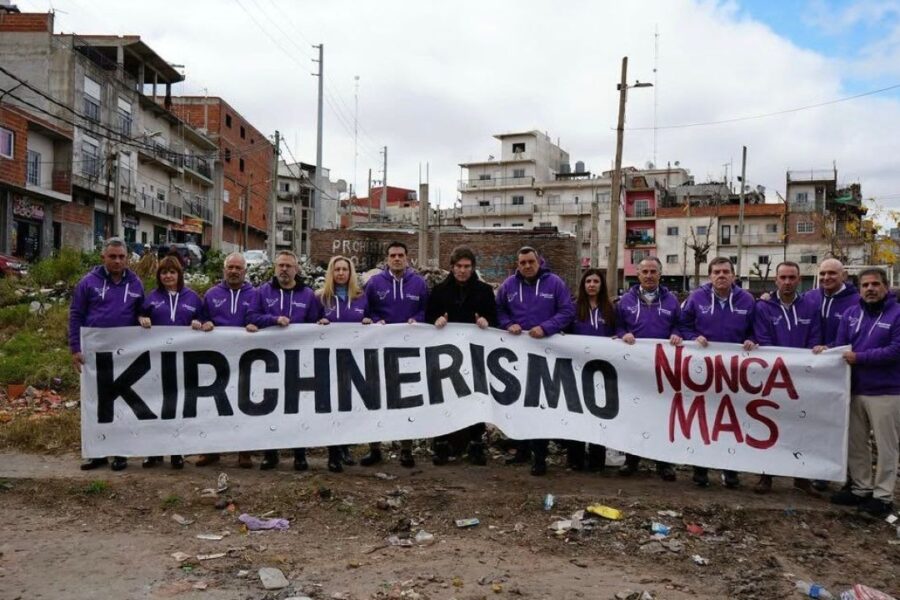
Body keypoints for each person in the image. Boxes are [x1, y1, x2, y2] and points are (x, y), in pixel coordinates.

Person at [496, 246, 575, 476]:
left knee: (539, 403)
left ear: (539, 261)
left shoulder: (555, 283)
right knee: (518, 402)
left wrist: (546, 328)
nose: (527, 266)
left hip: (546, 353)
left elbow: (567, 311)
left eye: (531, 261)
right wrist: (507, 324)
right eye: (522, 262)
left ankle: (539, 457)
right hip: (517, 354)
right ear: (517, 264)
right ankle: (521, 450)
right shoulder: (508, 285)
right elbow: (498, 310)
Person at [827, 268, 900, 517]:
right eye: (865, 285)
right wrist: (824, 351)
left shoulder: (897, 314)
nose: (870, 289)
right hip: (855, 389)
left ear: (886, 287)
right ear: (859, 289)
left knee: (886, 446)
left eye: (875, 284)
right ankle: (861, 488)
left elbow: (896, 350)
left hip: (886, 391)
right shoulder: (851, 314)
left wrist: (860, 358)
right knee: (856, 442)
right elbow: (840, 346)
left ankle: (883, 496)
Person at [679, 257, 757, 488]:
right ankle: (700, 468)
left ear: (734, 275)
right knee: (702, 419)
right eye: (716, 272)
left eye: (725, 271)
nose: (721, 275)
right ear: (710, 276)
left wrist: (752, 339)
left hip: (735, 371)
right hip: (703, 369)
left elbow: (756, 329)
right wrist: (693, 337)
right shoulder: (696, 298)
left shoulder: (747, 300)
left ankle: (730, 469)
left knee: (732, 421)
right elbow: (683, 325)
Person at [69, 237, 144, 471]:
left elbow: (141, 311)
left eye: (121, 257)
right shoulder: (88, 283)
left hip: (125, 353)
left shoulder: (136, 283)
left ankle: (120, 452)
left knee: (122, 404)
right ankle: (97, 453)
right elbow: (76, 314)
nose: (117, 261)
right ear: (103, 257)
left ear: (127, 258)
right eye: (112, 256)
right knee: (96, 403)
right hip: (95, 354)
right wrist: (75, 348)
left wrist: (144, 318)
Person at [247, 250, 322, 471]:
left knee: (297, 407)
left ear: (296, 269)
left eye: (289, 266)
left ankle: (299, 454)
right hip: (269, 360)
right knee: (270, 406)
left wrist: (323, 324)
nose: (284, 270)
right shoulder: (262, 292)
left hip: (298, 360)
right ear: (275, 268)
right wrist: (272, 320)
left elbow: (316, 321)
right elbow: (251, 317)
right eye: (281, 265)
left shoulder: (308, 295)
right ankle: (271, 454)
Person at [752, 261, 822, 494]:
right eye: (783, 277)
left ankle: (801, 476)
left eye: (792, 277)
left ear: (799, 279)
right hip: (773, 376)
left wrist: (806, 361)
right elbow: (763, 338)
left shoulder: (810, 306)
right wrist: (781, 364)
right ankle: (766, 474)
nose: (787, 282)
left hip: (802, 377)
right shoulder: (763, 307)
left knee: (800, 426)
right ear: (776, 280)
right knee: (769, 425)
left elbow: (815, 338)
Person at [425, 246, 498, 466]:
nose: (463, 270)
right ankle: (441, 443)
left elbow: (495, 320)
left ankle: (476, 443)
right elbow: (427, 319)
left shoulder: (484, 291)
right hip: (446, 356)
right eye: (459, 266)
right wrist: (436, 321)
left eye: (467, 266)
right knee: (444, 397)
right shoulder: (439, 290)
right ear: (452, 267)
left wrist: (486, 321)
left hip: (475, 355)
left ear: (473, 268)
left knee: (475, 398)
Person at [359, 241, 429, 468]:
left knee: (406, 399)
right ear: (387, 259)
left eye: (400, 255)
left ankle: (406, 449)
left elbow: (426, 310)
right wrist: (374, 320)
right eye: (392, 255)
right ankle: (374, 448)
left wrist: (417, 320)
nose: (397, 259)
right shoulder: (374, 283)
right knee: (376, 398)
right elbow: (366, 310)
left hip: (409, 351)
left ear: (407, 258)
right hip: (379, 349)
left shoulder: (419, 283)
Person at [616, 256, 682, 481]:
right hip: (634, 369)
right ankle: (631, 459)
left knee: (661, 416)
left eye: (653, 271)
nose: (649, 276)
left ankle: (664, 463)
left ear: (660, 274)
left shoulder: (672, 301)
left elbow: (680, 325)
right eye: (645, 272)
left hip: (662, 369)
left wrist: (677, 334)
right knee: (634, 415)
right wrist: (623, 333)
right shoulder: (625, 300)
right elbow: (618, 326)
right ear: (638, 274)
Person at [138, 255, 205, 469]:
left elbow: (205, 319)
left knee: (177, 407)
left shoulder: (193, 298)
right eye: (164, 272)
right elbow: (137, 318)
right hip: (157, 361)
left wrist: (199, 322)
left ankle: (177, 451)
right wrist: (141, 319)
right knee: (154, 405)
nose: (168, 276)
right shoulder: (151, 297)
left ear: (179, 274)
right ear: (159, 276)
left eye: (172, 272)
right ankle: (153, 452)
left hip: (183, 361)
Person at [194, 252, 257, 469]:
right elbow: (201, 317)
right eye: (230, 267)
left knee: (244, 404)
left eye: (238, 268)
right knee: (213, 405)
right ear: (224, 270)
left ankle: (244, 452)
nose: (234, 271)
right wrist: (204, 323)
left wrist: (256, 325)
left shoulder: (254, 294)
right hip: (216, 360)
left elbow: (259, 317)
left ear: (245, 271)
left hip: (245, 360)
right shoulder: (212, 294)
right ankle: (211, 451)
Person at [805, 258, 859, 491]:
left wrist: (833, 350)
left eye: (832, 273)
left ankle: (851, 476)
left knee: (844, 426)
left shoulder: (856, 301)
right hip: (815, 370)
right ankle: (822, 473)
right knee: (818, 423)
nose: (826, 278)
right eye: (823, 273)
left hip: (844, 371)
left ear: (844, 275)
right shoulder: (810, 297)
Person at [316, 255, 372, 472]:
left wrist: (369, 322)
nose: (341, 273)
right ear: (331, 273)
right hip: (328, 361)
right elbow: (307, 324)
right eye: (337, 269)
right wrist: (317, 323)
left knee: (350, 406)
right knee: (333, 407)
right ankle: (333, 453)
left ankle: (345, 448)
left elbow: (372, 319)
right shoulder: (320, 298)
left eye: (345, 269)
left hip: (354, 362)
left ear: (350, 273)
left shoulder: (361, 297)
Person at [566, 268, 616, 472]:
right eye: (588, 281)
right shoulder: (572, 308)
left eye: (596, 281)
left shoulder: (611, 309)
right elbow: (563, 332)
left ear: (601, 285)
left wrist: (620, 337)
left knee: (599, 415)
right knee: (577, 413)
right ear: (583, 285)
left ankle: (597, 460)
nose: (592, 285)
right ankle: (575, 459)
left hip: (603, 371)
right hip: (578, 369)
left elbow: (619, 331)